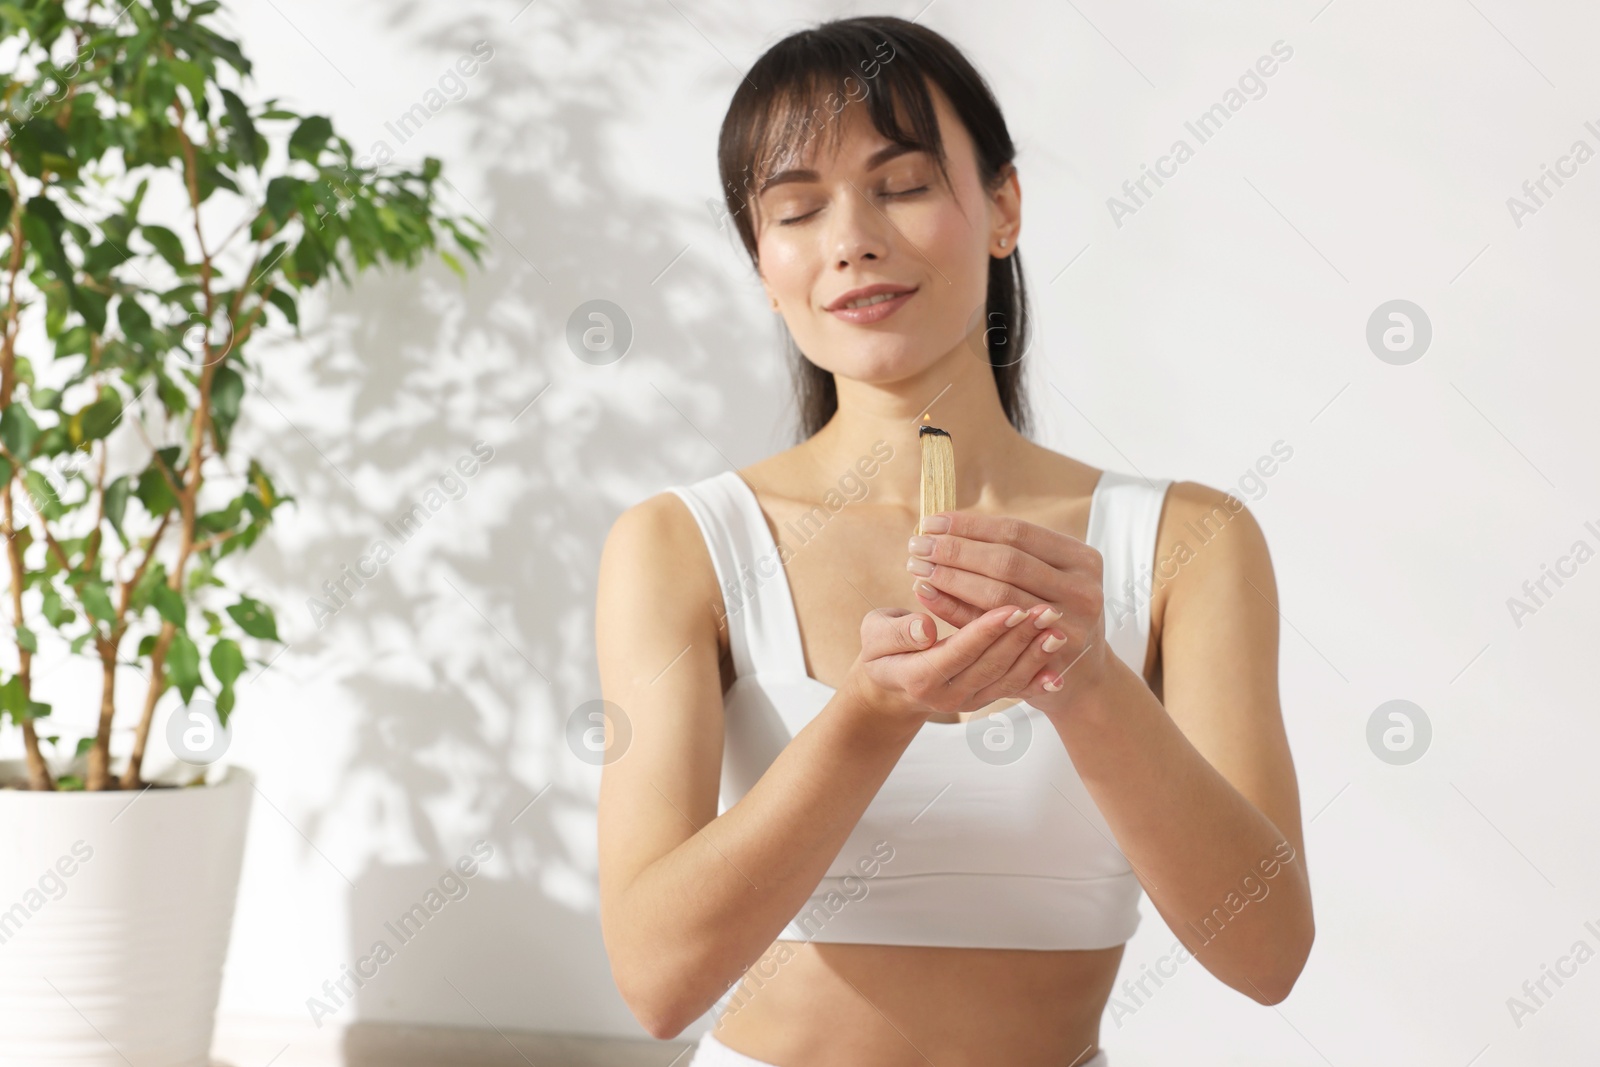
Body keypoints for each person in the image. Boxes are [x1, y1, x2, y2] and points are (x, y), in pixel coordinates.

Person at [595, 15, 1313, 1066]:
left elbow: (1267, 953)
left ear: (1002, 208)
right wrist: (872, 717)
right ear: (763, 259)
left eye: (902, 185)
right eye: (796, 208)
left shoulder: (1189, 542)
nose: (850, 239)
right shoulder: (680, 544)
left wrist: (1090, 687)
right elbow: (656, 982)